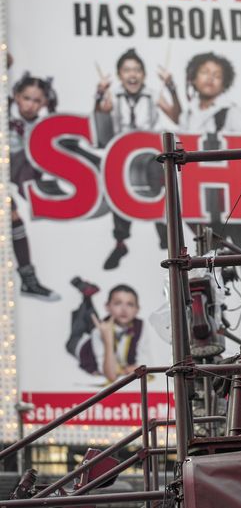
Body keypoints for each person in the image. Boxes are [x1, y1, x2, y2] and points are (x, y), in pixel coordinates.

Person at [176, 51, 241, 299]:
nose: (210, 79)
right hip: (203, 203)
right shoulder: (187, 114)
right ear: (193, 78)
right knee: (206, 269)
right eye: (205, 72)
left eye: (217, 75)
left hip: (232, 200)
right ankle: (211, 331)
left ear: (225, 82)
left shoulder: (232, 112)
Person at [95, 48, 180, 269]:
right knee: (117, 192)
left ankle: (166, 235)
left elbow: (175, 115)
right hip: (122, 155)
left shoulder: (153, 93)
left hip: (147, 153)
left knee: (159, 188)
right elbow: (100, 118)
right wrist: (99, 94)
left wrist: (171, 88)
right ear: (120, 74)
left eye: (137, 70)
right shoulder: (112, 96)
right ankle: (120, 241)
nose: (132, 75)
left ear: (143, 74)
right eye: (127, 70)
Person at [9, 73, 61, 301]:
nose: (30, 105)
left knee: (14, 220)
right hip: (12, 170)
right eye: (26, 98)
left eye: (36, 100)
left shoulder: (40, 125)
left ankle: (28, 280)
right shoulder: (6, 116)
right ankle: (29, 280)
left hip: (23, 173)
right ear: (16, 97)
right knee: (13, 218)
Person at [65, 278, 150, 382]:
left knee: (93, 319)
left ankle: (87, 296)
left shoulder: (140, 326)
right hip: (80, 347)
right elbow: (111, 375)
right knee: (82, 320)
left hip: (104, 328)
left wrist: (133, 368)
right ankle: (86, 296)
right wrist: (108, 340)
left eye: (130, 304)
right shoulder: (98, 331)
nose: (124, 309)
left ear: (137, 309)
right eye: (118, 303)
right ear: (107, 306)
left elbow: (144, 365)